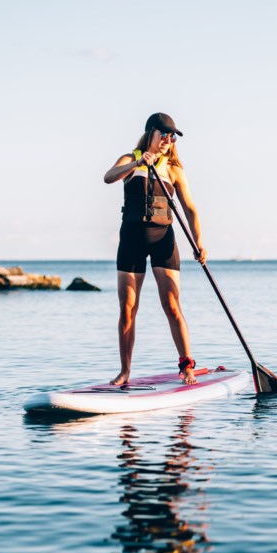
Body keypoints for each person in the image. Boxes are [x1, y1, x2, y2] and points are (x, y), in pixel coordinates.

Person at [103, 112, 207, 386]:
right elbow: (108, 177)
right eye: (164, 135)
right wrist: (138, 162)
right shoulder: (129, 160)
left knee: (171, 304)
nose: (168, 141)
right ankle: (125, 372)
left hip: (163, 241)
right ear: (151, 133)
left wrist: (198, 242)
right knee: (127, 308)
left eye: (172, 137)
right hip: (131, 240)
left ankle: (187, 367)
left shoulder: (173, 169)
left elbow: (190, 208)